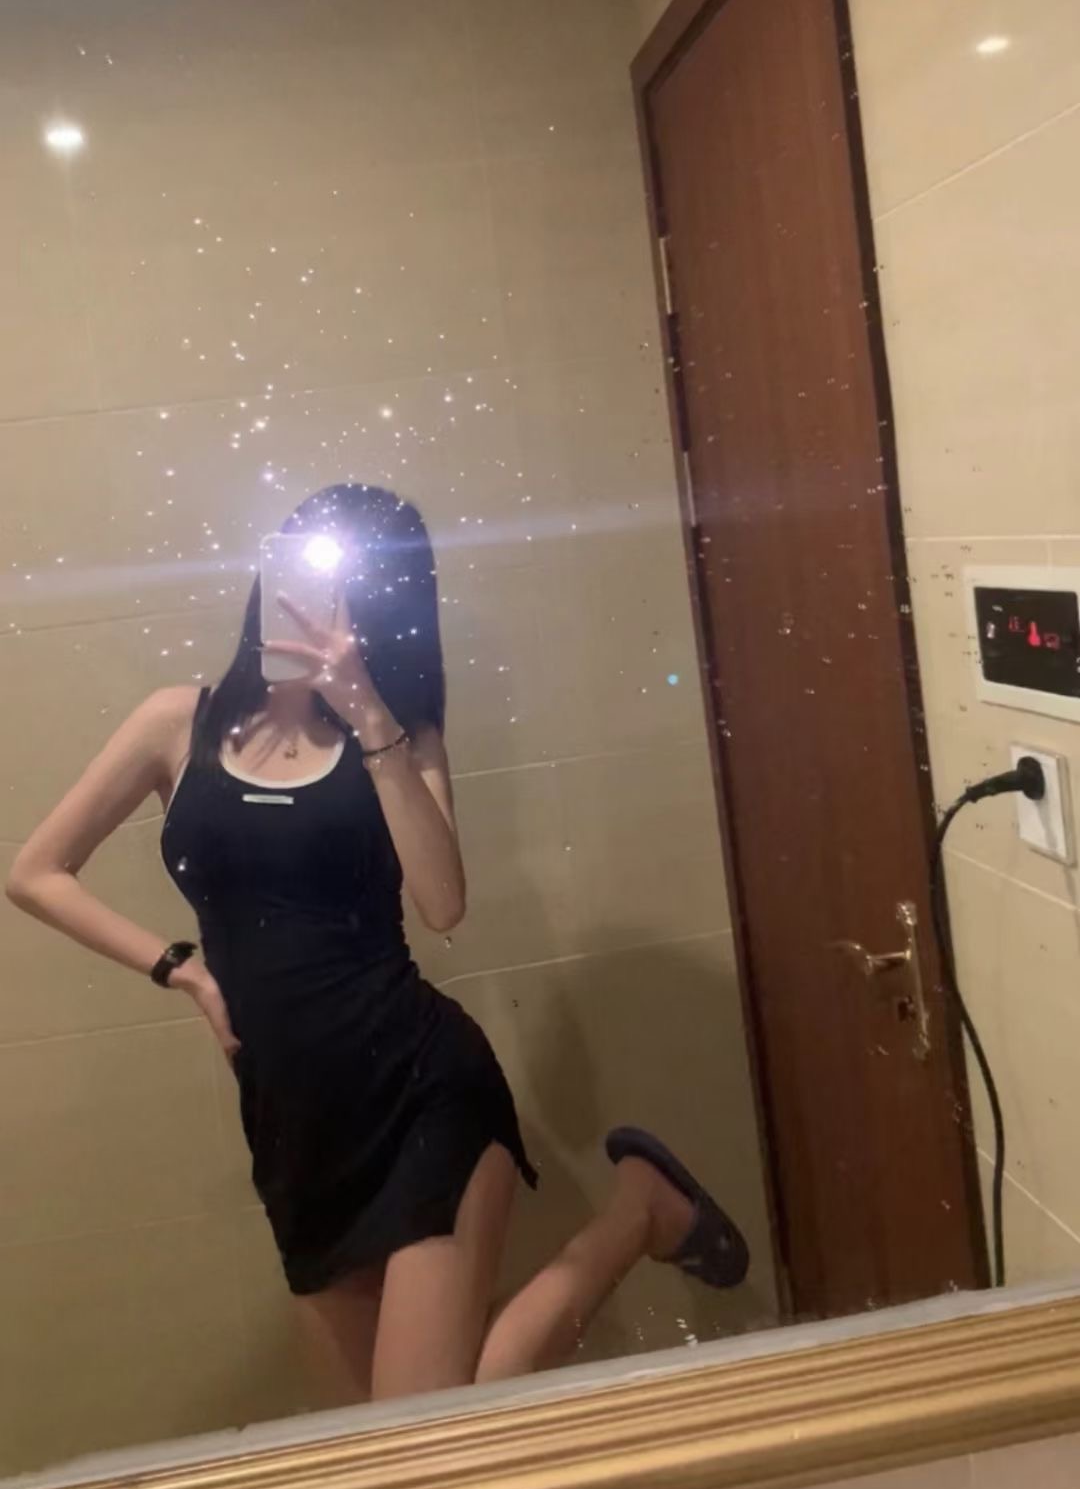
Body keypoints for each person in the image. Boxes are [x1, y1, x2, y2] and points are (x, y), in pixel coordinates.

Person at [7, 482, 749, 1404]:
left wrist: (367, 713)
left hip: (421, 1091)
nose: (322, 603)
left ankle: (637, 1214)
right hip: (293, 1126)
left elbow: (443, 904)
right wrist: (182, 971)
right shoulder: (176, 723)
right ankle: (644, 1202)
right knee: (371, 1443)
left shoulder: (399, 735)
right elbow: (35, 871)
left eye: (355, 588)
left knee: (425, 1433)